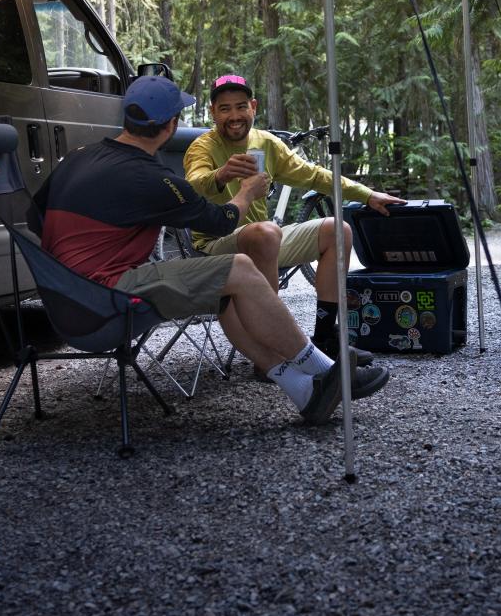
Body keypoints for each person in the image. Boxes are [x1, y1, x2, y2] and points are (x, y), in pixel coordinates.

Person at [35, 74, 390, 424]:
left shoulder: (78, 158)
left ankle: (304, 389)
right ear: (172, 124)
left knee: (229, 286)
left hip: (63, 299)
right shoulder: (153, 178)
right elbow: (219, 222)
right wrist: (245, 191)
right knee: (238, 270)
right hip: (105, 300)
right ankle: (324, 369)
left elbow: (35, 218)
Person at [182, 73, 406, 357]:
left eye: (240, 106)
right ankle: (273, 351)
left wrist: (367, 194)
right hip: (216, 245)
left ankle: (325, 339)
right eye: (224, 108)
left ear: (253, 106)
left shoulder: (266, 143)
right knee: (265, 232)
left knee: (337, 230)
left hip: (263, 238)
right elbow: (192, 185)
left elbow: (313, 175)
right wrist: (222, 174)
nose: (234, 115)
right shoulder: (202, 147)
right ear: (213, 112)